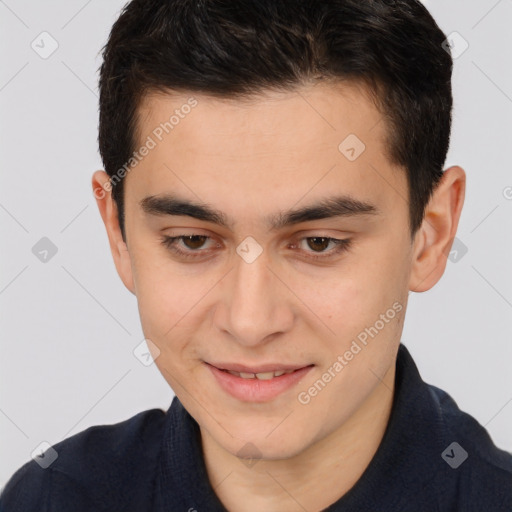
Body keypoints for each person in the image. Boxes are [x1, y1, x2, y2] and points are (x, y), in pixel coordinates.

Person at [2, 0, 511, 510]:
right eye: (193, 241)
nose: (250, 322)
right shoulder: (48, 499)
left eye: (319, 243)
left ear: (432, 233)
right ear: (119, 233)